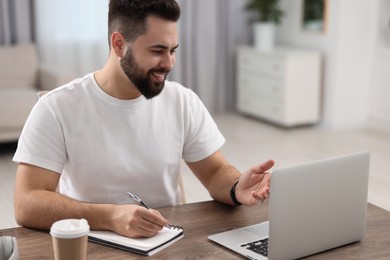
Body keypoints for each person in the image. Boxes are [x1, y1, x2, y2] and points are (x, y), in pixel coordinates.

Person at [13, 0, 274, 238]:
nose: (169, 62)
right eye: (157, 50)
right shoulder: (57, 107)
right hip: (92, 245)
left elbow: (215, 171)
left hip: (168, 243)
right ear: (118, 44)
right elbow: (26, 202)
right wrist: (110, 216)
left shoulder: (182, 101)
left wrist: (236, 187)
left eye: (173, 50)